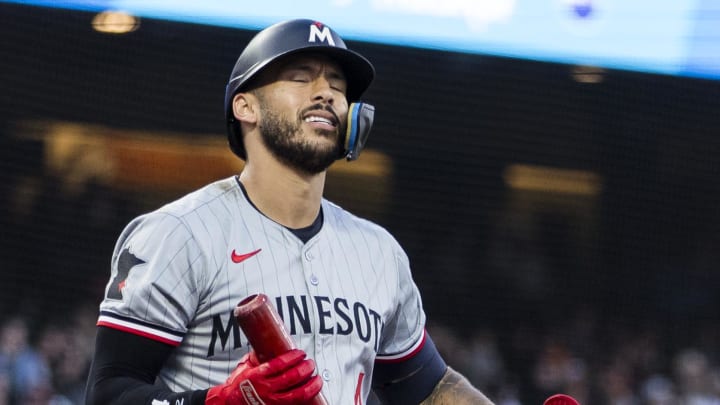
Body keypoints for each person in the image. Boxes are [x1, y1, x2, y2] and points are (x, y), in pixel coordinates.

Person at [84, 18, 494, 405]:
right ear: (246, 107)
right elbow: (109, 394)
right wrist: (219, 401)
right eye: (301, 77)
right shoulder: (178, 234)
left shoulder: (380, 253)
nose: (327, 92)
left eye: (337, 84)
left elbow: (429, 387)